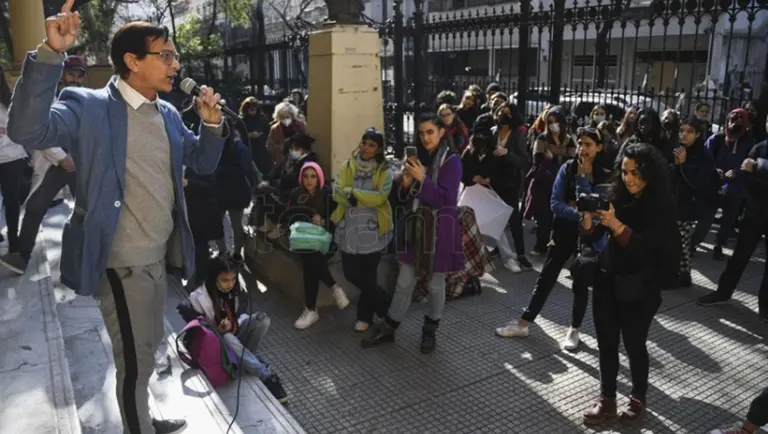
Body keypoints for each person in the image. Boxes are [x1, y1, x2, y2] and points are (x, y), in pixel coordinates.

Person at [6, 6, 227, 432]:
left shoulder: (166, 114)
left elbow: (200, 162)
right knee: (135, 363)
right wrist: (51, 53)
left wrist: (212, 126)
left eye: (175, 56)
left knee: (148, 346)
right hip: (121, 263)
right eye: (166, 55)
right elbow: (26, 131)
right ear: (132, 61)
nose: (175, 64)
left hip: (159, 258)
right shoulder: (87, 107)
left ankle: (142, 416)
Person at [580, 143, 677, 425]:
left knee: (635, 344)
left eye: (635, 173)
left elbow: (646, 251)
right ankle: (607, 398)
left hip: (640, 286)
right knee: (606, 343)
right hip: (607, 279)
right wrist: (588, 218)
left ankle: (638, 399)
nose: (629, 178)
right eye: (624, 172)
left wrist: (616, 225)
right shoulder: (616, 196)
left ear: (650, 174)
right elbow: (591, 237)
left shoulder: (662, 206)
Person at [497, 127, 612, 351]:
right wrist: (581, 213)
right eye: (580, 143)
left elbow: (600, 211)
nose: (583, 149)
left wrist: (582, 185)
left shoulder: (605, 174)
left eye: (588, 144)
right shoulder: (568, 168)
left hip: (591, 237)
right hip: (563, 231)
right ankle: (524, 323)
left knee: (581, 282)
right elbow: (556, 204)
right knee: (546, 277)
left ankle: (574, 329)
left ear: (598, 148)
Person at [361, 113, 464, 354]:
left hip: (439, 230)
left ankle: (430, 329)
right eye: (421, 133)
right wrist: (407, 183)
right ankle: (390, 326)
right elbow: (403, 197)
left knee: (436, 284)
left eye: (430, 132)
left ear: (441, 132)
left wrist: (423, 179)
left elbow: (447, 199)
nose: (426, 137)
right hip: (414, 227)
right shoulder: (417, 157)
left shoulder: (452, 161)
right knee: (404, 281)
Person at [0, 56, 86, 274]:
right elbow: (39, 133)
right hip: (55, 164)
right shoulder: (47, 99)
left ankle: (96, 252)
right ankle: (21, 258)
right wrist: (62, 157)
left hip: (80, 163)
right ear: (61, 75)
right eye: (71, 74)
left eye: (79, 76)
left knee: (88, 207)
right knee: (34, 208)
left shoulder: (86, 101)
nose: (75, 80)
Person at [176, 253, 288, 403]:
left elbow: (240, 315)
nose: (230, 284)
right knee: (228, 337)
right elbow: (200, 334)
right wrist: (218, 331)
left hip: (234, 335)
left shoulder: (236, 290)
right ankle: (265, 375)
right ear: (214, 278)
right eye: (225, 280)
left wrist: (234, 323)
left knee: (262, 320)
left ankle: (246, 359)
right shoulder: (198, 298)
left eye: (233, 279)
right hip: (217, 346)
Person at [696, 132, 768, 321]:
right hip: (754, 212)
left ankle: (765, 307)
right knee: (738, 257)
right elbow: (746, 175)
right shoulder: (760, 147)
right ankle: (723, 292)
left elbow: (752, 168)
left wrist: (758, 167)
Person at [332, 128, 394, 332]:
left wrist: (352, 193)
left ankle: (364, 317)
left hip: (373, 228)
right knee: (351, 273)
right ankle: (385, 302)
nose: (366, 147)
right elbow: (337, 193)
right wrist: (362, 195)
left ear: (379, 149)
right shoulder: (347, 166)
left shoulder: (384, 171)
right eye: (364, 143)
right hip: (349, 227)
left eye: (372, 145)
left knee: (369, 274)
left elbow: (380, 197)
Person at [283, 162, 349, 329]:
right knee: (309, 256)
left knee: (309, 262)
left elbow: (337, 217)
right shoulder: (296, 194)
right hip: (303, 239)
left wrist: (324, 221)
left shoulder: (328, 194)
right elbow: (290, 217)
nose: (309, 180)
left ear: (319, 178)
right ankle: (334, 287)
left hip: (324, 239)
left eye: (313, 176)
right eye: (306, 176)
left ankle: (311, 309)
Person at [690, 108, 754, 260]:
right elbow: (704, 156)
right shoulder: (717, 139)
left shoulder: (748, 142)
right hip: (714, 185)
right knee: (706, 218)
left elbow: (751, 161)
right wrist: (713, 169)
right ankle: (693, 244)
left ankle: (719, 246)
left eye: (738, 121)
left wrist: (737, 171)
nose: (733, 124)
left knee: (728, 220)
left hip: (736, 187)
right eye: (731, 120)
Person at [672, 116, 715, 288]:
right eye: (681, 130)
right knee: (673, 240)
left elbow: (699, 183)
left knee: (682, 242)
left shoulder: (703, 155)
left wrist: (683, 165)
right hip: (673, 202)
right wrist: (676, 165)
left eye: (689, 132)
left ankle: (684, 275)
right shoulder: (677, 149)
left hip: (689, 205)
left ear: (697, 134)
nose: (684, 135)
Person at [253, 133, 318, 239]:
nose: (292, 151)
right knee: (261, 192)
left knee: (267, 195)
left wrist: (278, 185)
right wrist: (268, 181)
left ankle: (281, 225)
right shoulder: (289, 159)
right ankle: (264, 222)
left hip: (294, 196)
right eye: (292, 148)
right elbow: (277, 171)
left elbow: (296, 181)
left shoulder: (308, 163)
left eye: (296, 148)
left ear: (303, 149)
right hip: (283, 191)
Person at [0, 66, 29, 255]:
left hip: (11, 157)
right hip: (11, 154)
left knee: (11, 200)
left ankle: (13, 240)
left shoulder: (10, 101)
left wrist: (8, 131)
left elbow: (22, 129)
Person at [267, 101, 307, 167]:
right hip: (283, 162)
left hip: (300, 158)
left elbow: (306, 141)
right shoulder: (275, 129)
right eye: (283, 117)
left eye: (287, 117)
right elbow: (270, 146)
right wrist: (282, 146)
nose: (285, 119)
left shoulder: (300, 125)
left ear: (292, 115)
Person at [239, 96, 271, 175]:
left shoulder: (262, 119)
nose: (253, 112)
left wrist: (260, 134)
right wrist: (248, 135)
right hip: (248, 149)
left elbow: (268, 131)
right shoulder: (241, 121)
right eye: (251, 110)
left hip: (262, 149)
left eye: (255, 110)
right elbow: (238, 135)